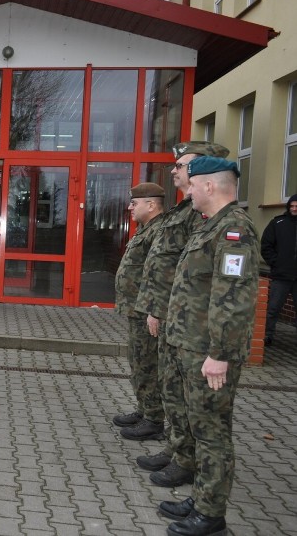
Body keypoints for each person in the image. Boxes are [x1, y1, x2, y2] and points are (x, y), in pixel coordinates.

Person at [158, 155, 259, 536]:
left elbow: (233, 298)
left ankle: (211, 515)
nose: (189, 190)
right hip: (190, 346)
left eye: (193, 184)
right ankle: (201, 498)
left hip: (209, 353)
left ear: (211, 186)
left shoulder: (234, 230)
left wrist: (219, 355)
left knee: (212, 433)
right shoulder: (209, 226)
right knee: (199, 428)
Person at [132, 141, 230, 483]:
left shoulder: (219, 222)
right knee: (175, 395)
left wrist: (220, 349)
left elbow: (224, 291)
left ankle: (190, 470)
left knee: (198, 413)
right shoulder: (187, 212)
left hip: (194, 329)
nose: (174, 170)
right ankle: (178, 452)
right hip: (176, 320)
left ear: (206, 175)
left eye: (182, 164)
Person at [112, 183, 165, 441]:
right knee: (138, 362)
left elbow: (160, 274)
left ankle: (154, 419)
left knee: (147, 364)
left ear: (151, 205)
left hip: (147, 312)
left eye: (135, 203)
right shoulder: (145, 229)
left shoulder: (161, 232)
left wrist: (154, 309)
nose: (130, 207)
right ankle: (145, 410)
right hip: (137, 310)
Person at [260, 194, 297, 347]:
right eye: (292, 206)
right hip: (281, 276)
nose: (294, 209)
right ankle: (267, 336)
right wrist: (276, 263)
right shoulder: (278, 223)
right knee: (273, 309)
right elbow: (266, 246)